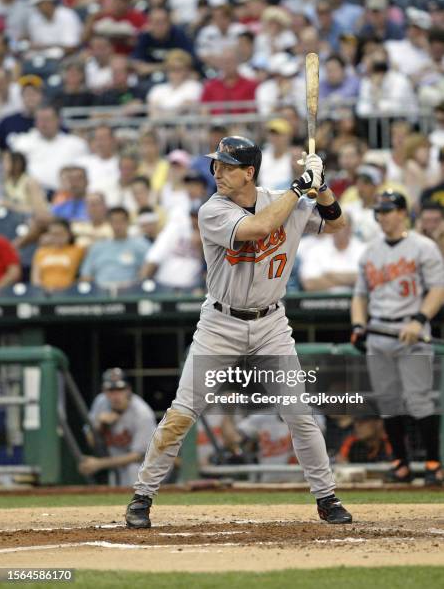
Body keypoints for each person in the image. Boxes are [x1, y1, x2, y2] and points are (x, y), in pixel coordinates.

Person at [125, 135, 352, 528]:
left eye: (227, 166)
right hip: (220, 323)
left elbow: (336, 225)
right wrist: (301, 187)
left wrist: (323, 185)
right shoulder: (211, 210)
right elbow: (260, 226)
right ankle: (142, 496)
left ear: (249, 172)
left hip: (271, 324)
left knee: (299, 414)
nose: (217, 171)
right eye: (216, 164)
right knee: (181, 413)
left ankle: (326, 497)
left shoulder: (283, 199)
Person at [351, 190, 444, 485]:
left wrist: (420, 319)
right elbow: (359, 296)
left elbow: (438, 289)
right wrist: (358, 325)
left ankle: (432, 464)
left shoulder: (424, 247)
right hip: (378, 329)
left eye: (389, 210)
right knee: (388, 402)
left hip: (411, 331)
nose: (383, 216)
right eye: (379, 211)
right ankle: (400, 464)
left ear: (403, 213)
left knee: (419, 400)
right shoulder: (369, 251)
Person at [80, 367, 156, 486]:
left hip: (148, 466)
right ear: (104, 391)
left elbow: (139, 456)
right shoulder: (101, 402)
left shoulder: (142, 413)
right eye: (110, 390)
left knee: (133, 470)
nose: (115, 395)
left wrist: (99, 464)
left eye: (120, 389)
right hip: (116, 464)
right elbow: (91, 443)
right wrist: (100, 425)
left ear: (128, 390)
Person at [80, 206, 150, 290]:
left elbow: (148, 270)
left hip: (130, 291)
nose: (118, 225)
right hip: (101, 291)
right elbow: (86, 274)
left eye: (121, 221)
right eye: (114, 221)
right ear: (109, 223)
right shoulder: (97, 247)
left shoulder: (141, 245)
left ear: (128, 222)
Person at [31, 217, 85, 292]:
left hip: (67, 292)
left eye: (60, 234)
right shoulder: (41, 251)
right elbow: (35, 278)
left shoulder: (77, 250)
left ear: (68, 234)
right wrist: (42, 290)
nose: (57, 237)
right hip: (44, 293)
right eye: (53, 234)